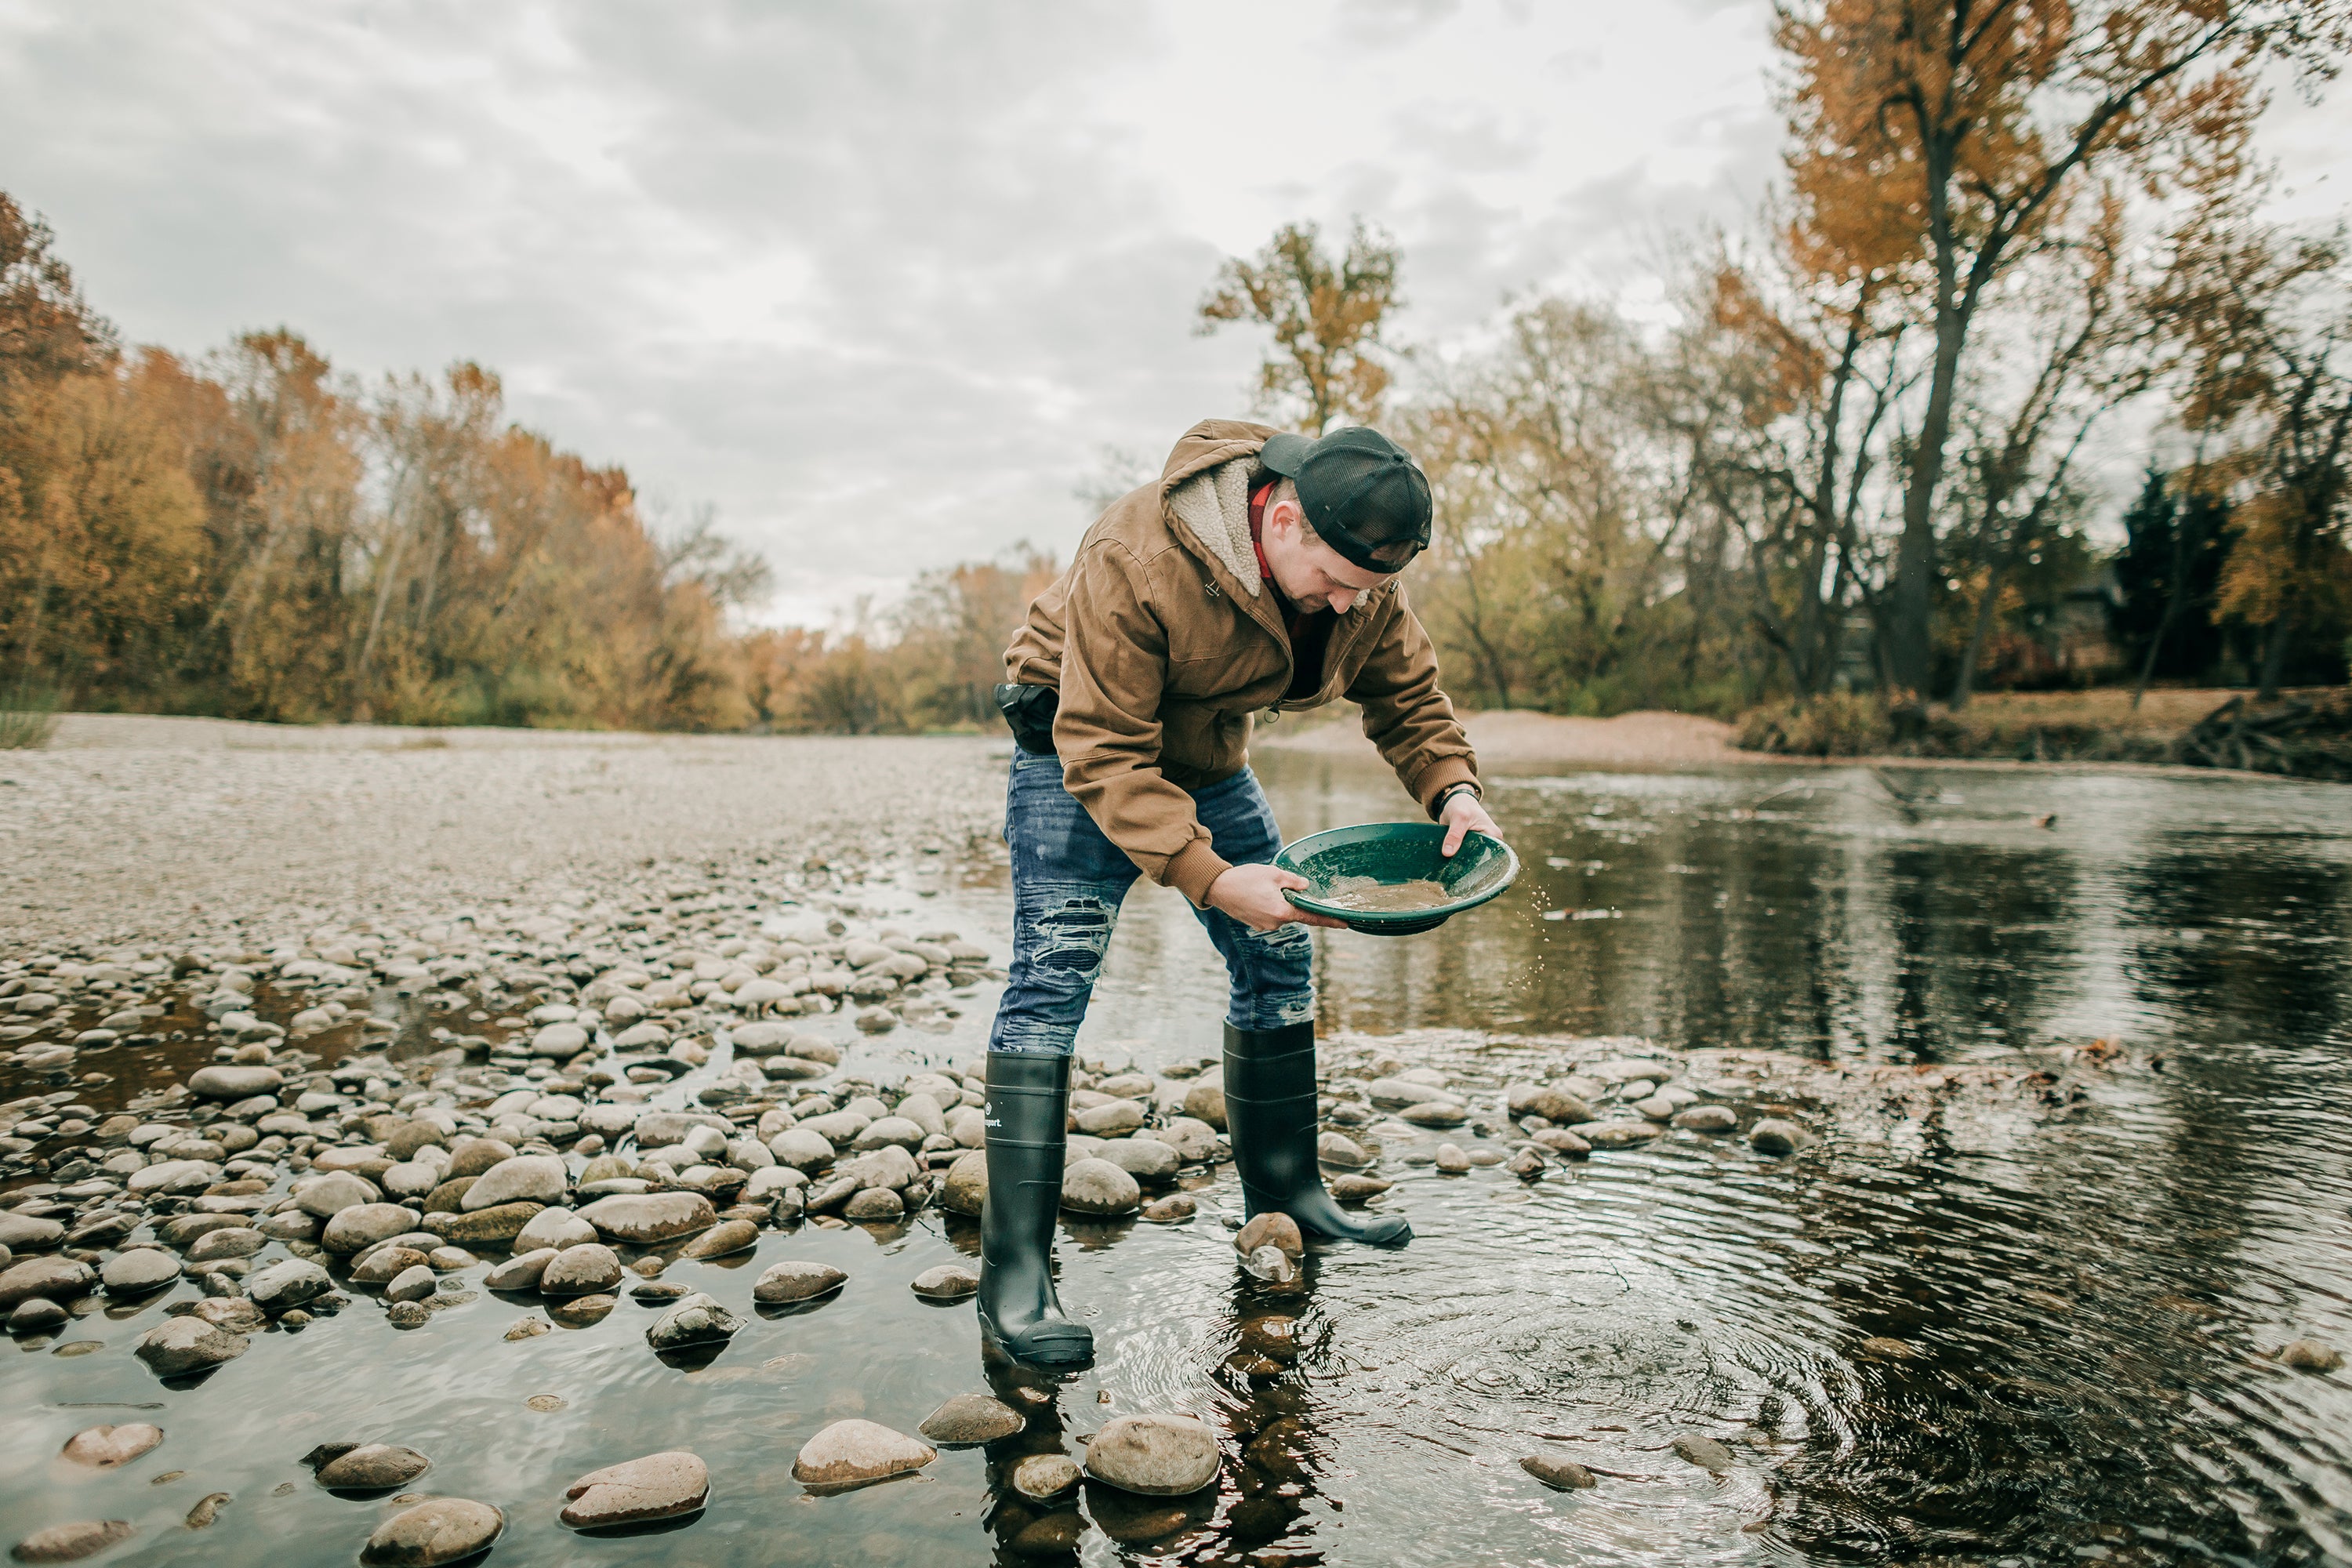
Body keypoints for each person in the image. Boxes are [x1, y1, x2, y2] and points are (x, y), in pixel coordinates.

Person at [976, 419, 1500, 1370]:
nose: (1349, 605)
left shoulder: (1359, 570)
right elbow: (1103, 750)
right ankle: (1013, 1276)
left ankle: (1289, 1196)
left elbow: (1409, 697)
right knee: (1052, 983)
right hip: (1074, 749)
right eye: (1335, 582)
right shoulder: (1136, 554)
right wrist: (1213, 878)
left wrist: (1455, 791)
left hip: (1207, 754)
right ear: (1283, 519)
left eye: (1368, 590)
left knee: (1280, 951)